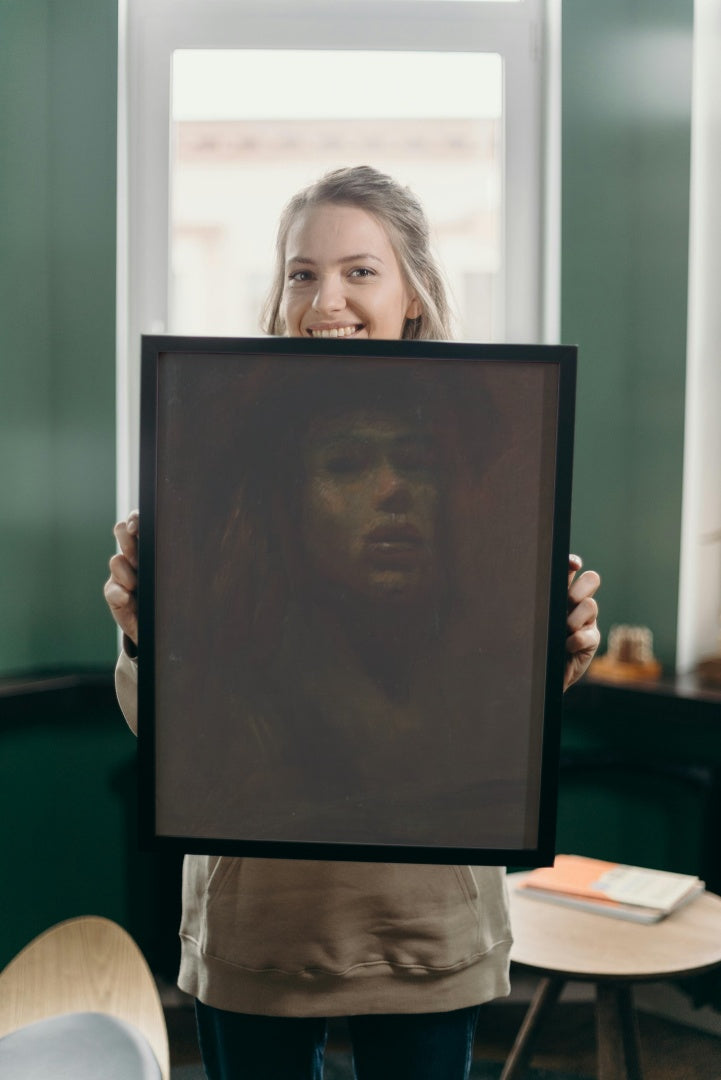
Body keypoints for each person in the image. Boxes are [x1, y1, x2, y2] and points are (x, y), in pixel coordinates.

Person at [105, 165, 601, 1080]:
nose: (325, 298)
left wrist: (555, 653)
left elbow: (494, 729)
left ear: (412, 290)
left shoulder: (493, 463)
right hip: (261, 925)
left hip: (424, 925)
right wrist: (146, 635)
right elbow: (174, 736)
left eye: (359, 271)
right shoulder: (216, 485)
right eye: (301, 272)